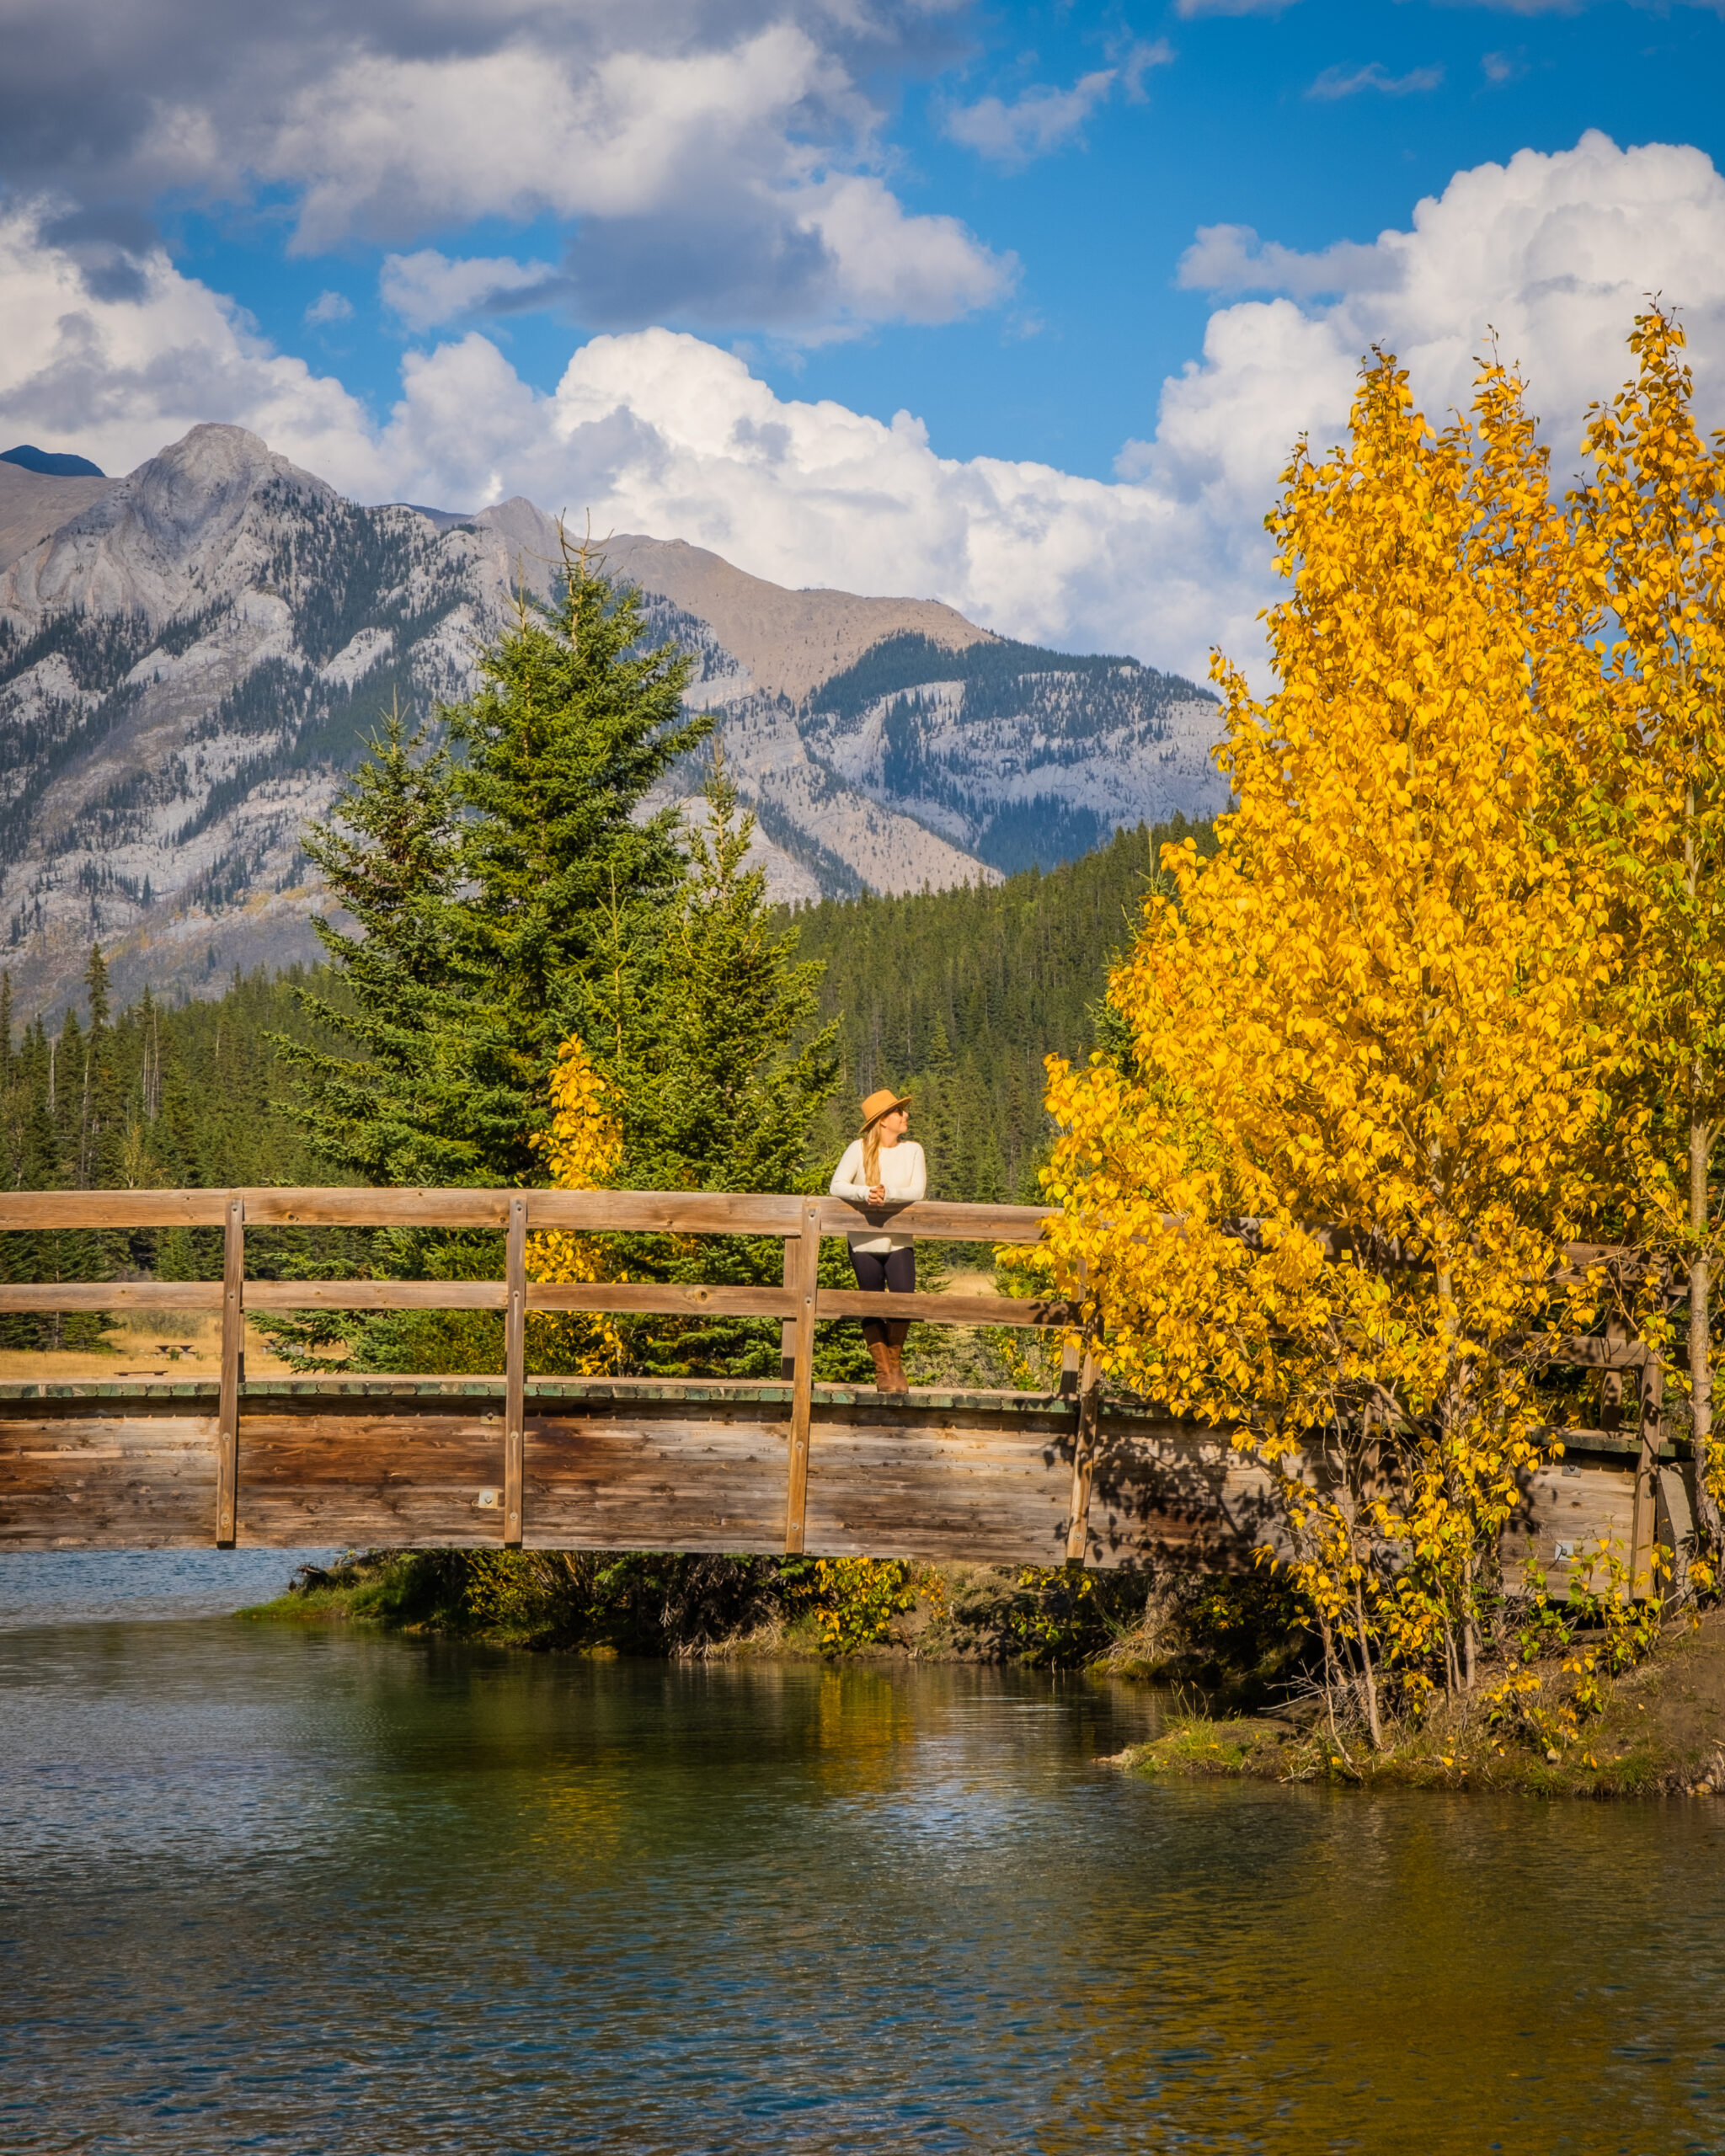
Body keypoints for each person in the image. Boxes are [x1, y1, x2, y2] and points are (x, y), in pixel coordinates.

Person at [829, 1087, 927, 1394]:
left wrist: (886, 1193)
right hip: (863, 1242)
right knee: (870, 1303)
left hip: (899, 1240)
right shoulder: (857, 1149)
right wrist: (865, 1193)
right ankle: (884, 1372)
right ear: (883, 1121)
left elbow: (917, 1191)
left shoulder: (913, 1150)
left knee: (903, 1301)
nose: (905, 1115)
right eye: (899, 1112)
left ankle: (895, 1364)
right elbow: (837, 1185)